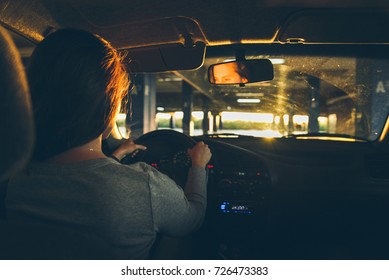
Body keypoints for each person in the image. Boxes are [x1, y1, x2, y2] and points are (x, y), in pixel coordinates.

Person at [5, 28, 211, 259]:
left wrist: (114, 159)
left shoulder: (10, 179)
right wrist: (198, 167)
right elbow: (193, 218)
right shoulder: (145, 187)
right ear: (108, 104)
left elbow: (78, 179)